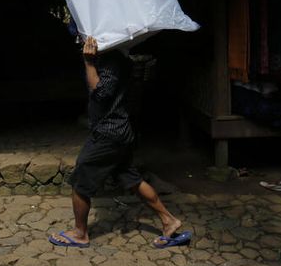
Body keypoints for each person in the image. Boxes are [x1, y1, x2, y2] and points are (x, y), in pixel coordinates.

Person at [49, 35, 189, 249]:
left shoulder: (112, 60)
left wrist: (88, 63)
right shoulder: (111, 57)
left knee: (81, 179)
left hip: (108, 134)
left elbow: (102, 94)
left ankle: (79, 233)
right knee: (131, 179)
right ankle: (169, 221)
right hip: (117, 131)